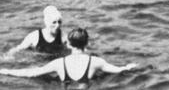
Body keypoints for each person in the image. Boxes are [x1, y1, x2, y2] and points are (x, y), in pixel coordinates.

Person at [0, 27, 137, 81]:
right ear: (87, 44)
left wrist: (5, 71)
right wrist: (129, 66)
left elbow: (32, 72)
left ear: (68, 44)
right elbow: (119, 70)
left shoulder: (59, 63)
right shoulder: (96, 62)